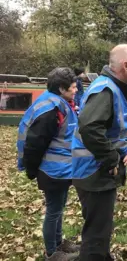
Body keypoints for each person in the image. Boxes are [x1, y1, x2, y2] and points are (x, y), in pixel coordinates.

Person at [71, 44, 127, 260]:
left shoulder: (115, 88)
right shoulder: (106, 90)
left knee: (100, 229)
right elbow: (90, 127)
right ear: (125, 65)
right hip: (95, 171)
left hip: (98, 170)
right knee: (96, 234)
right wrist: (112, 160)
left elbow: (122, 126)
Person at [17, 67, 80, 260]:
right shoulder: (51, 110)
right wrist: (32, 169)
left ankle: (59, 243)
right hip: (52, 170)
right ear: (61, 88)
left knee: (59, 207)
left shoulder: (57, 103)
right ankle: (52, 252)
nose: (76, 90)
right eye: (73, 87)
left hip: (61, 168)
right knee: (54, 210)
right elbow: (35, 143)